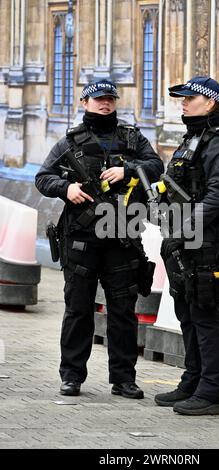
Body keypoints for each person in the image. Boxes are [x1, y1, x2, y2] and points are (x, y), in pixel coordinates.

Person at [35, 79, 163, 398]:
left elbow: (156, 166)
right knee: (79, 310)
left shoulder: (131, 138)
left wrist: (129, 171)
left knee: (122, 312)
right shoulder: (70, 142)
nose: (105, 104)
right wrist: (66, 189)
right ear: (84, 102)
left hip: (122, 239)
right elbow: (43, 177)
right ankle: (72, 376)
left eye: (109, 99)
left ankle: (123, 379)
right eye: (98, 100)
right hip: (81, 240)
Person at [154, 76, 219, 415]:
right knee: (186, 312)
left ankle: (211, 392)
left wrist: (185, 226)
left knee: (203, 313)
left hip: (203, 240)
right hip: (180, 239)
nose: (183, 103)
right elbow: (174, 184)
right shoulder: (191, 140)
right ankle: (192, 380)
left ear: (211, 102)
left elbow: (217, 196)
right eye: (182, 98)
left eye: (190, 98)